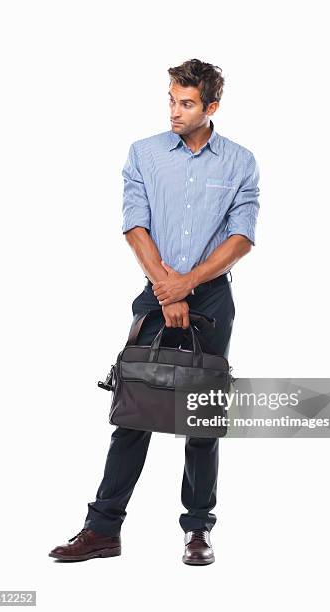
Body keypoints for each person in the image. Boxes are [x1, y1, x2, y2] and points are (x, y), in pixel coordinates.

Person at [49, 58, 260, 565]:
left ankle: (197, 531)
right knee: (134, 412)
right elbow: (133, 224)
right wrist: (167, 288)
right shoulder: (143, 153)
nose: (175, 110)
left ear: (211, 106)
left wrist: (187, 284)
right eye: (171, 98)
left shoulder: (240, 161)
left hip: (211, 298)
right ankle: (102, 530)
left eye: (186, 103)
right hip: (156, 294)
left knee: (202, 417)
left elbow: (242, 236)